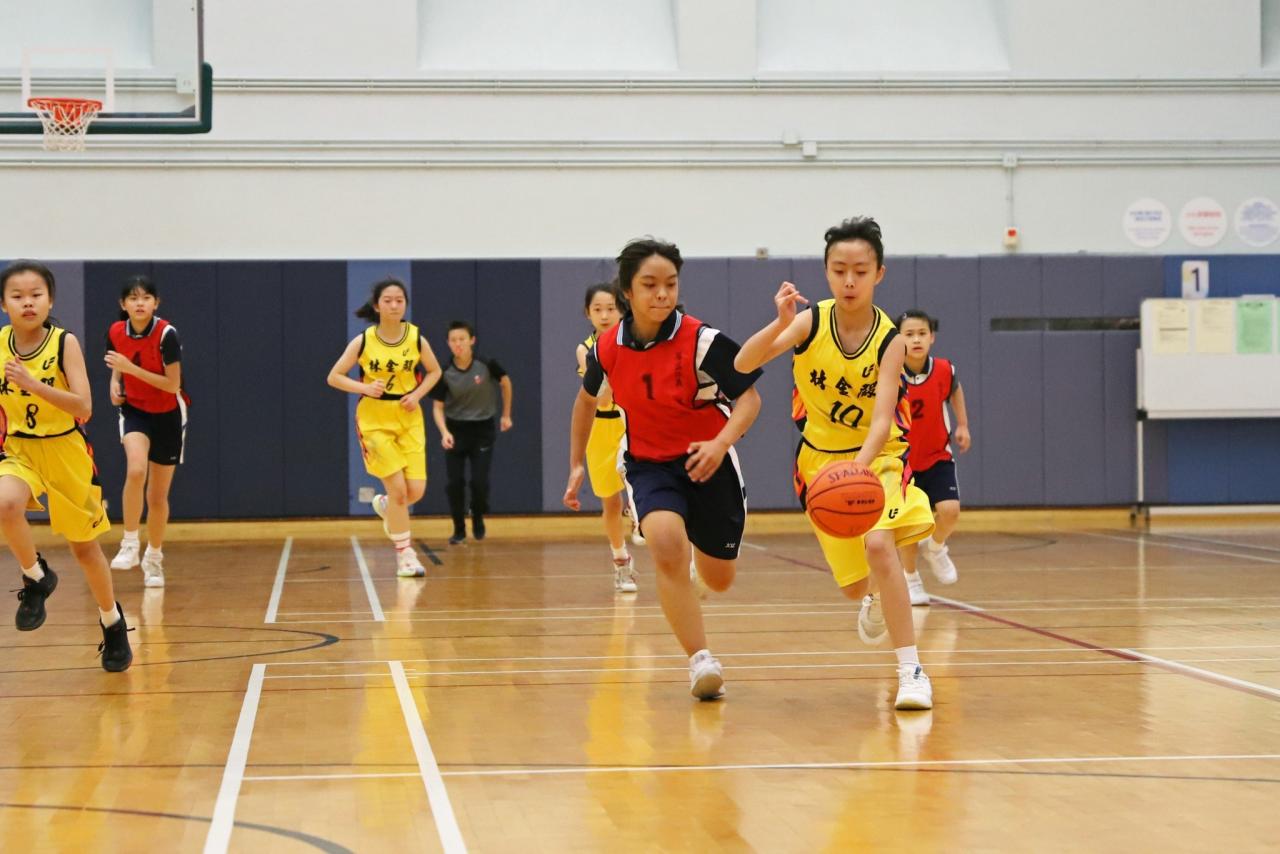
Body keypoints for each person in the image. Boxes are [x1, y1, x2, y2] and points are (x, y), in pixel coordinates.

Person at [734, 217, 935, 710]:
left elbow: (883, 420)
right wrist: (779, 322)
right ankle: (873, 596)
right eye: (839, 270)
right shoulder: (811, 322)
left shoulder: (890, 339)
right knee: (853, 586)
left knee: (880, 545)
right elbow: (742, 364)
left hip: (877, 457)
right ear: (826, 272)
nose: (849, 281)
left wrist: (857, 470)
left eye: (860, 271)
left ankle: (911, 671)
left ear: (878, 274)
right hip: (819, 464)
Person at [564, 238, 762, 700]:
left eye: (670, 284)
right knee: (666, 543)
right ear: (627, 293)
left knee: (719, 579)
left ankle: (697, 574)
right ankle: (700, 660)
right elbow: (586, 401)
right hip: (649, 464)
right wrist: (575, 464)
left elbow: (750, 399)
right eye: (650, 284)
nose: (662, 293)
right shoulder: (607, 348)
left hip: (708, 462)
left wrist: (720, 443)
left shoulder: (702, 341)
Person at [1, 260, 132, 671]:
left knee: (84, 549)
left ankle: (112, 622)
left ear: (50, 300)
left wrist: (32, 384)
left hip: (66, 451)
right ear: (4, 304)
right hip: (20, 449)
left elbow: (84, 407)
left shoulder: (63, 343)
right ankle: (36, 575)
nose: (27, 303)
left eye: (35, 295)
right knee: (5, 504)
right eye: (17, 296)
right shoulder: (0, 344)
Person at [327, 277, 442, 577]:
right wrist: (363, 388)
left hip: (409, 417)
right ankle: (405, 556)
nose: (394, 305)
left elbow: (434, 371)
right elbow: (334, 376)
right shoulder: (364, 341)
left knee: (415, 490)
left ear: (405, 305)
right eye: (388, 300)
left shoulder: (416, 338)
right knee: (400, 492)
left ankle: (386, 505)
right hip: (374, 420)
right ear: (377, 306)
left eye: (399, 300)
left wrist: (417, 394)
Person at [105, 275, 188, 588]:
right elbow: (118, 364)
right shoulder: (116, 331)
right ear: (123, 304)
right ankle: (129, 543)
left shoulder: (166, 334)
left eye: (145, 298)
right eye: (133, 298)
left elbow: (172, 384)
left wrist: (131, 370)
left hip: (167, 414)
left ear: (156, 303)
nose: (139, 303)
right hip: (135, 411)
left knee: (157, 496)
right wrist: (115, 383)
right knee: (136, 470)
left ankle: (154, 558)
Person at [896, 309, 970, 606]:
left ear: (932, 337)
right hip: (903, 462)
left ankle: (936, 547)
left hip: (938, 455)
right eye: (909, 334)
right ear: (898, 339)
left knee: (950, 511)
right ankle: (911, 578)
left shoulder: (943, 370)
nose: (916, 339)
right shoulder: (891, 373)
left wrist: (962, 424)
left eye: (921, 334)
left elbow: (955, 390)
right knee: (910, 527)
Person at [576, 282, 639, 593]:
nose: (604, 315)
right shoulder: (585, 350)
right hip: (600, 429)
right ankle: (621, 561)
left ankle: (640, 516)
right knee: (611, 503)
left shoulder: (636, 343)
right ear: (587, 313)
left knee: (643, 484)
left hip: (632, 422)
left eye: (610, 309)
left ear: (622, 311)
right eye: (597, 309)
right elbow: (601, 398)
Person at [429, 321, 512, 545]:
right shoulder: (445, 372)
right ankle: (458, 529)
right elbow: (437, 407)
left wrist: (506, 414)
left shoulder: (486, 364)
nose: (458, 344)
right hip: (456, 430)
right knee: (454, 483)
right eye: (453, 340)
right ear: (448, 343)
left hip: (482, 429)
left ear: (472, 341)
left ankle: (477, 516)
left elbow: (505, 382)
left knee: (479, 481)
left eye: (462, 339)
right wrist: (444, 432)